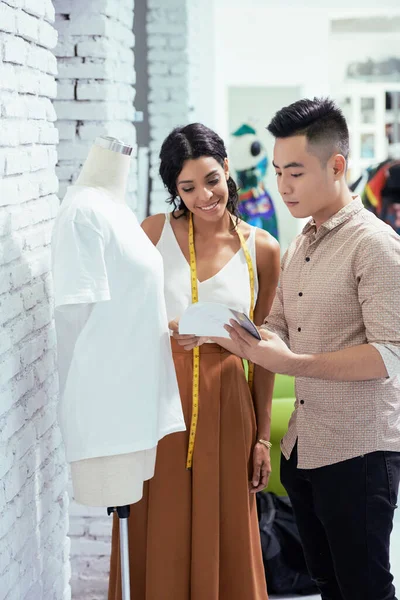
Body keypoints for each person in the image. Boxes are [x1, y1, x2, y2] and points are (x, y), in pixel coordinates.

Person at [226, 97, 400, 600]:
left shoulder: (375, 244)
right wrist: (240, 335)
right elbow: (278, 321)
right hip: (303, 448)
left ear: (337, 165)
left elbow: (391, 353)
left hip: (360, 451)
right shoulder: (303, 240)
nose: (283, 186)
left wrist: (291, 363)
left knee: (365, 588)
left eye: (296, 172)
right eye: (278, 171)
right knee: (328, 586)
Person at [108, 123, 280, 600]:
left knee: (224, 531)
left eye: (211, 179)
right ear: (174, 190)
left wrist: (262, 436)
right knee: (156, 527)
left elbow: (265, 352)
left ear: (227, 169)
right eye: (188, 187)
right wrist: (160, 332)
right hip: (159, 401)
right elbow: (118, 319)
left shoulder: (261, 249)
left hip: (229, 408)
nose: (205, 196)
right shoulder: (152, 234)